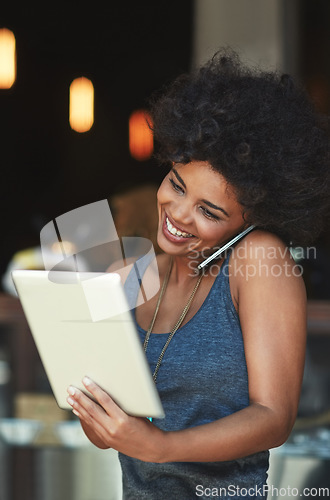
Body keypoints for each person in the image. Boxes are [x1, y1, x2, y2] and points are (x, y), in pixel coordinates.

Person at [66, 49, 330, 499]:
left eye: (209, 211)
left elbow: (273, 416)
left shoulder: (259, 262)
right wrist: (96, 410)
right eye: (176, 184)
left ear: (252, 215)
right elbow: (108, 432)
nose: (179, 215)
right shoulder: (129, 271)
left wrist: (161, 447)